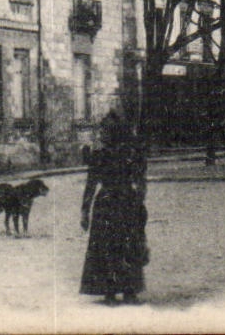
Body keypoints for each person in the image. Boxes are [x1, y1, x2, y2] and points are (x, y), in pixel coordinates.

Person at [80, 109, 149, 304]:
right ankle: (120, 291)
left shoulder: (115, 154)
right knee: (117, 246)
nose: (102, 134)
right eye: (103, 130)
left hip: (113, 202)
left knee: (117, 246)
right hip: (120, 202)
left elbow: (91, 185)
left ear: (115, 133)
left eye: (106, 131)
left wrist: (85, 211)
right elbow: (140, 183)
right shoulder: (124, 154)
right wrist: (139, 201)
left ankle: (119, 291)